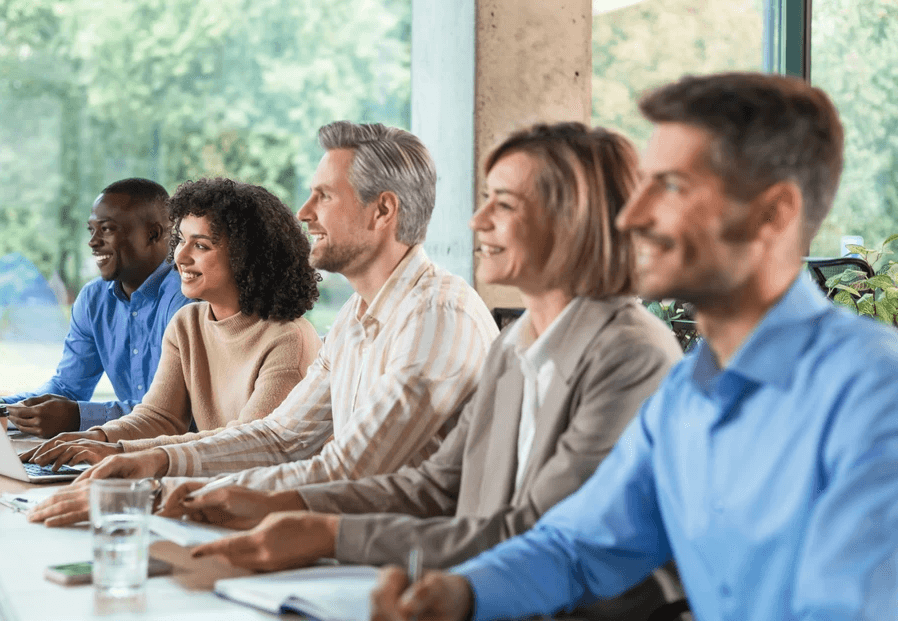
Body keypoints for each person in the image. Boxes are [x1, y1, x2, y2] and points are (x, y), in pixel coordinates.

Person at [370, 72, 898, 621]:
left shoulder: (873, 394)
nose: (630, 215)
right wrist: (461, 595)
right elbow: (577, 547)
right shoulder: (685, 399)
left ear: (774, 213)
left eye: (669, 186)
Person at [162, 123, 684, 618]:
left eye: (502, 204)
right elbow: (436, 486)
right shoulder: (516, 346)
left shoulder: (630, 353)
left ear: (573, 219)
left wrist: (327, 533)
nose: (477, 221)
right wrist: (283, 503)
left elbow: (536, 533)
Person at [27, 121, 498, 527]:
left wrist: (153, 493)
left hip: (417, 573)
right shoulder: (358, 319)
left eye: (325, 196)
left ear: (383, 211)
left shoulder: (436, 317)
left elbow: (348, 470)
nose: (304, 211)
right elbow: (281, 437)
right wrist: (150, 460)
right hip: (358, 548)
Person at [22, 177, 322, 475]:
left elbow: (247, 444)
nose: (180, 255)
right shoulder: (188, 323)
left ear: (247, 256)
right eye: (180, 240)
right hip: (212, 487)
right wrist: (93, 438)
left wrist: (119, 451)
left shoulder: (288, 340)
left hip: (267, 501)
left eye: (201, 245)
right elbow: (159, 417)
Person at [2, 178, 191, 438]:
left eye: (107, 229)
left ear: (154, 234)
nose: (93, 241)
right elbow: (67, 388)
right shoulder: (94, 299)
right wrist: (5, 408)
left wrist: (78, 416)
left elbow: (178, 414)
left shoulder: (187, 298)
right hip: (122, 448)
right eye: (91, 230)